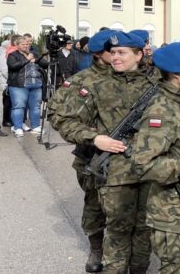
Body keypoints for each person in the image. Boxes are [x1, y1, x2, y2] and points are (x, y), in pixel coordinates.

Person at [131, 42, 180, 274]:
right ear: (176, 73)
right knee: (176, 269)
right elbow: (142, 165)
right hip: (172, 212)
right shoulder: (162, 111)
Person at [48, 29, 114, 272]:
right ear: (99, 54)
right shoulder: (82, 81)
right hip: (93, 156)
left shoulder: (134, 78)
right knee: (95, 206)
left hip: (128, 158)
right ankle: (96, 249)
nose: (117, 55)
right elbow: (57, 114)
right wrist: (92, 136)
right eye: (112, 51)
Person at [7, 35, 48, 137]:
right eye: (23, 44)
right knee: (18, 107)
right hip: (19, 86)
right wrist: (27, 60)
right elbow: (13, 66)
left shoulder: (33, 54)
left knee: (36, 107)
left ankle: (35, 126)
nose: (26, 46)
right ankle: (18, 127)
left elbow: (45, 64)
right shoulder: (12, 55)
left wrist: (38, 59)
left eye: (27, 44)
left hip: (35, 85)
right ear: (17, 45)